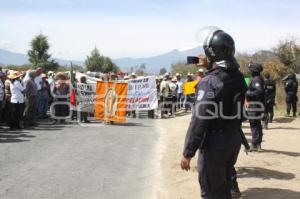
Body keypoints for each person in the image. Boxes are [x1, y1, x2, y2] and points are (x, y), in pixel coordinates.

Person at [181, 28, 247, 199]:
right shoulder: (239, 77)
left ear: (211, 53)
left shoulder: (209, 82)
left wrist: (188, 153)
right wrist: (210, 65)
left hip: (214, 144)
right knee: (224, 186)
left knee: (211, 191)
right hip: (233, 139)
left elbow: (199, 121)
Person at [246, 62, 265, 152]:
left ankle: (255, 144)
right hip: (256, 104)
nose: (250, 71)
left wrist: (248, 93)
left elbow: (259, 91)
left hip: (255, 105)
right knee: (256, 124)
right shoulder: (257, 78)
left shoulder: (256, 79)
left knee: (254, 124)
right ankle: (256, 144)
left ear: (254, 70)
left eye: (251, 70)